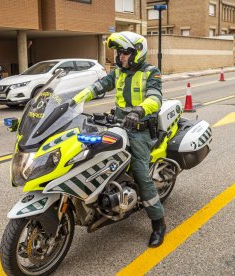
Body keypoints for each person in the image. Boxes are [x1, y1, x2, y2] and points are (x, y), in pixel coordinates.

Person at [72, 31, 166, 248]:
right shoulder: (118, 73)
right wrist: (74, 100)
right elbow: (100, 86)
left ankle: (158, 224)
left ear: (137, 53)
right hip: (117, 124)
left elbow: (155, 97)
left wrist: (139, 110)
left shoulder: (151, 72)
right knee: (91, 153)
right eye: (119, 53)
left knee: (141, 173)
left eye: (125, 53)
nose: (121, 57)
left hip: (140, 129)